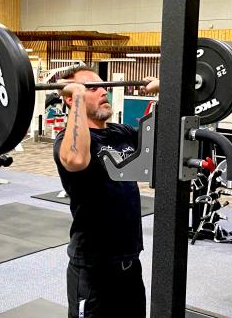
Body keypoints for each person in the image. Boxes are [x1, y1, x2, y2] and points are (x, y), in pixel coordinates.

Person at [52, 66, 158, 318]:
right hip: (92, 269)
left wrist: (167, 93)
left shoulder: (121, 133)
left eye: (104, 86)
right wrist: (76, 97)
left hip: (130, 263)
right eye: (92, 87)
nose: (104, 91)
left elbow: (163, 144)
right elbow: (77, 160)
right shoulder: (64, 141)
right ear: (70, 97)